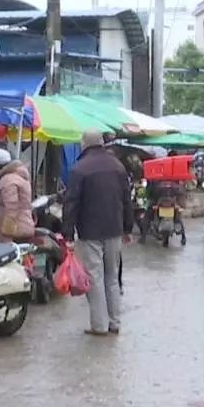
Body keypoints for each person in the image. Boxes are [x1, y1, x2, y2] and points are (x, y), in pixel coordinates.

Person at [63, 130, 133, 336]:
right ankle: (115, 323)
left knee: (95, 276)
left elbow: (71, 204)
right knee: (112, 276)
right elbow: (126, 199)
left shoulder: (79, 169)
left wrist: (67, 235)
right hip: (114, 229)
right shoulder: (117, 166)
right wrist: (128, 228)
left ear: (84, 145)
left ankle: (99, 325)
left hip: (90, 231)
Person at [0, 159, 35, 241]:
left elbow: (11, 207)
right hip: (25, 224)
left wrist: (6, 232)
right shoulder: (21, 177)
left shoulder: (7, 180)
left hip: (14, 230)